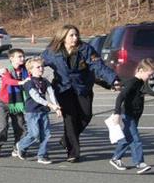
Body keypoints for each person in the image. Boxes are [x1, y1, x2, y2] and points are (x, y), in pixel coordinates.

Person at [41, 25, 120, 162]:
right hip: (63, 88)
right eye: (71, 35)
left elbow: (98, 66)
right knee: (70, 120)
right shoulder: (52, 51)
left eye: (76, 35)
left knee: (86, 116)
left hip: (83, 87)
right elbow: (37, 63)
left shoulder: (86, 49)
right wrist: (22, 71)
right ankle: (73, 152)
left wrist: (113, 79)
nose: (75, 38)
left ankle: (66, 139)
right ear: (63, 37)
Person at [109, 58, 154, 174]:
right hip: (128, 115)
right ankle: (139, 163)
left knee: (127, 138)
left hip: (134, 116)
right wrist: (117, 113)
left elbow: (123, 84)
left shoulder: (138, 82)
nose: (150, 77)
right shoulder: (134, 82)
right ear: (141, 70)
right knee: (136, 140)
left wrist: (117, 85)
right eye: (149, 74)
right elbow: (120, 97)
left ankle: (116, 158)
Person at [15, 57, 62, 164]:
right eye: (38, 67)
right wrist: (50, 105)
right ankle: (21, 145)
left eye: (42, 67)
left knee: (46, 134)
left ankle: (42, 155)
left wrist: (56, 106)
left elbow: (51, 93)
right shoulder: (29, 83)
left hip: (43, 111)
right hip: (32, 111)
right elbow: (36, 97)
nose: (41, 69)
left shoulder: (45, 81)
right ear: (30, 70)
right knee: (34, 134)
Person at [0, 48, 29, 156]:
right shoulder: (6, 70)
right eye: (19, 56)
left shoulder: (25, 70)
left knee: (20, 126)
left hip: (17, 102)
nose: (22, 58)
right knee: (2, 125)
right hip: (4, 102)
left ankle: (18, 146)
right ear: (11, 58)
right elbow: (8, 81)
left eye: (23, 56)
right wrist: (21, 82)